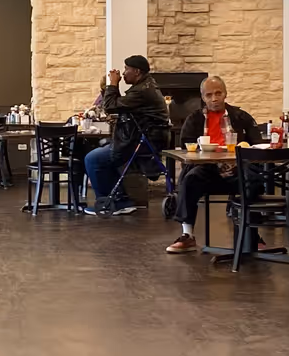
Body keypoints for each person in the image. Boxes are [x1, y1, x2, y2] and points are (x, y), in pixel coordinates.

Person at [165, 76, 258, 254]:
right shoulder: (194, 119)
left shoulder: (240, 116)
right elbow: (187, 146)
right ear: (203, 97)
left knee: (254, 179)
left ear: (225, 94)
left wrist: (245, 146)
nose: (214, 98)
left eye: (218, 93)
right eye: (209, 95)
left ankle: (252, 233)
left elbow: (257, 142)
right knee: (191, 179)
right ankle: (187, 235)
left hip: (237, 169)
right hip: (208, 170)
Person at [84, 55, 171, 215]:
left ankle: (113, 203)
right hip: (140, 139)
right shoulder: (146, 86)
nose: (123, 73)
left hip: (142, 144)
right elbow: (118, 106)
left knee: (93, 158)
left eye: (126, 69)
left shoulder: (142, 91)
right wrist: (108, 88)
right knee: (97, 151)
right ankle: (121, 200)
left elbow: (110, 107)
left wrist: (113, 84)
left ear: (136, 71)